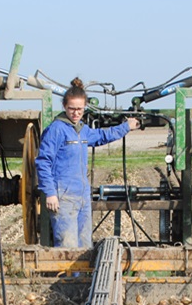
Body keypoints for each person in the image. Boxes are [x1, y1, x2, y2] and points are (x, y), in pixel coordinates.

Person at [35, 78, 140, 248]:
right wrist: (50, 193)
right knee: (67, 246)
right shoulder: (56, 130)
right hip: (64, 197)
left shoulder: (82, 130)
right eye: (72, 109)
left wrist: (126, 126)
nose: (76, 113)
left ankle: (83, 276)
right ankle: (67, 275)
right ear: (64, 107)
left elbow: (102, 136)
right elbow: (43, 162)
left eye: (80, 109)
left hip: (82, 196)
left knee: (84, 246)